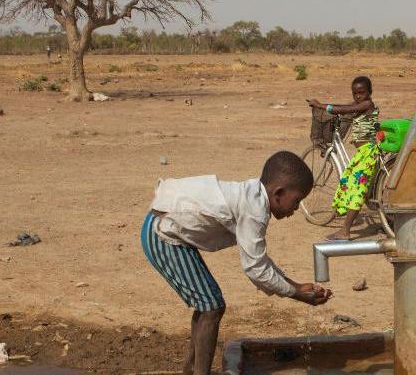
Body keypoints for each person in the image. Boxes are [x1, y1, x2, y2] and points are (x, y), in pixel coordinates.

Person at [141, 151, 333, 374]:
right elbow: (256, 270)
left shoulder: (254, 198)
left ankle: (192, 370)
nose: (297, 208)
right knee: (211, 307)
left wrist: (295, 286)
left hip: (169, 226)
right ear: (279, 194)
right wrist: (295, 292)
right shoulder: (255, 212)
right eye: (297, 200)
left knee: (208, 304)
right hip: (163, 234)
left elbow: (259, 261)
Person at [306, 76, 379, 241]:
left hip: (368, 152)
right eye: (355, 93)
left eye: (362, 92)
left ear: (370, 92)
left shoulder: (367, 104)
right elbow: (344, 107)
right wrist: (323, 104)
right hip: (363, 153)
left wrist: (321, 106)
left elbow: (345, 110)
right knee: (349, 180)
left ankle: (345, 231)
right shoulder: (359, 104)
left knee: (357, 190)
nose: (358, 96)